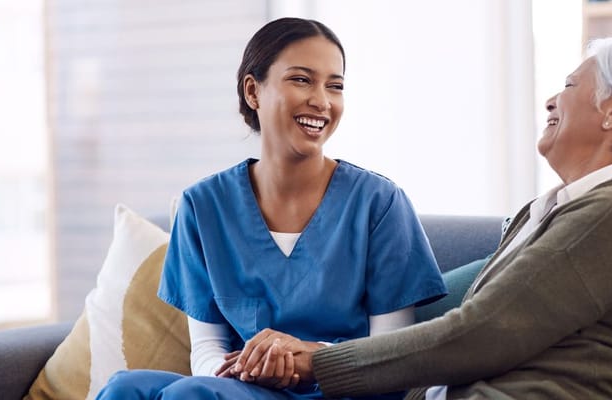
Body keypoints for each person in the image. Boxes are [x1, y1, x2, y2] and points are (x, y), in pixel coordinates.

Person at [239, 37, 612, 399]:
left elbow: (478, 334)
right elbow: (473, 315)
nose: (551, 100)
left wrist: (319, 361)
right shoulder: (581, 207)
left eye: (569, 86)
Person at [95, 17, 447, 400]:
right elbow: (207, 347)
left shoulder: (379, 204)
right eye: (301, 80)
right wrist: (250, 368)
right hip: (242, 387)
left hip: (339, 391)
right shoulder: (202, 207)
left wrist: (309, 360)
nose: (322, 100)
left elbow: (390, 354)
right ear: (253, 91)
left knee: (190, 395)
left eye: (336, 86)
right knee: (123, 388)